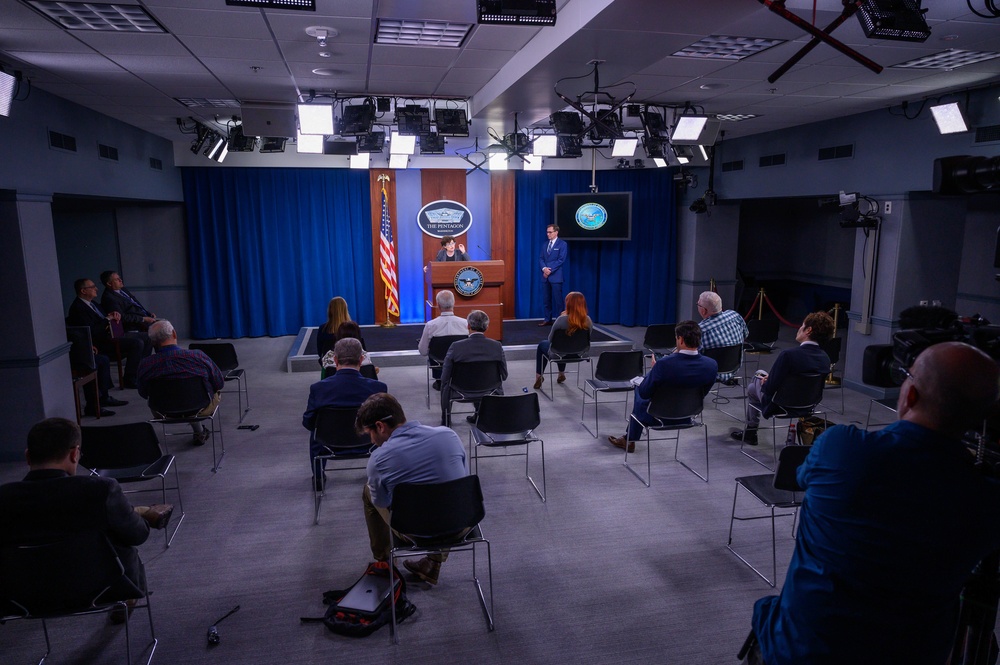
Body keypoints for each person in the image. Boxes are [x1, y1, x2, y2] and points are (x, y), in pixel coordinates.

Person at [746, 342, 1000, 665]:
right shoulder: (988, 500)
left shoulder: (841, 448)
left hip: (800, 651)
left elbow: (798, 477)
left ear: (909, 396)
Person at [0, 418, 173, 620]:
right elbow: (138, 535)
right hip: (103, 588)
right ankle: (125, 599)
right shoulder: (100, 490)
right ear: (75, 454)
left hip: (21, 597)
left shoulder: (4, 498)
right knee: (117, 535)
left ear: (28, 456)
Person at [358, 393, 467, 586]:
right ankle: (433, 563)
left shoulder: (378, 459)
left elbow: (382, 502)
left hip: (415, 531)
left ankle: (384, 562)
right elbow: (463, 483)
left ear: (380, 427)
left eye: (370, 434)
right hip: (463, 522)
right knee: (446, 489)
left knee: (369, 493)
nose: (372, 441)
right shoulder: (448, 435)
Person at [607, 320, 717, 453]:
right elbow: (702, 393)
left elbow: (645, 392)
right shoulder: (711, 365)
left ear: (680, 340)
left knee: (639, 388)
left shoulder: (664, 365)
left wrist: (654, 371)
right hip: (688, 415)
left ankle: (630, 439)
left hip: (658, 416)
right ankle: (628, 439)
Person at [732, 311, 833, 445]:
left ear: (808, 330)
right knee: (760, 379)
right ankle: (751, 432)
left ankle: (751, 431)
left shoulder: (788, 355)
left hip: (780, 405)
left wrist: (768, 380)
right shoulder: (825, 358)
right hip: (808, 406)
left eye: (802, 326)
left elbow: (769, 389)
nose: (799, 329)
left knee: (755, 381)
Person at [303, 337, 387, 489]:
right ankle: (381, 474)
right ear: (361, 360)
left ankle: (318, 477)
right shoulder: (378, 388)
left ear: (335, 360)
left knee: (315, 429)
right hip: (368, 443)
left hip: (329, 444)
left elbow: (308, 422)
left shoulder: (318, 389)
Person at [136, 320, 224, 446]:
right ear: (174, 333)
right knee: (201, 394)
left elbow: (143, 393)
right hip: (201, 407)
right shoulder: (197, 356)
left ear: (153, 341)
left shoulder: (146, 364)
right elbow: (219, 382)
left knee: (180, 396)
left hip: (163, 411)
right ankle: (199, 431)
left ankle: (198, 431)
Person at [67, 277, 151, 389]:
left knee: (148, 336)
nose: (96, 289)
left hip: (112, 335)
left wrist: (114, 314)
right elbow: (92, 331)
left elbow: (106, 316)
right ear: (83, 291)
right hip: (101, 342)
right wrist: (107, 319)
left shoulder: (94, 304)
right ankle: (130, 378)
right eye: (92, 287)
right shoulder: (78, 308)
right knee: (137, 343)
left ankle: (141, 372)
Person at [440, 310, 508, 425]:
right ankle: (486, 417)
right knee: (495, 383)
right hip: (490, 390)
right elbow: (504, 375)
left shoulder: (456, 347)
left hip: (459, 390)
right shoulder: (496, 346)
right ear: (487, 327)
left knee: (445, 385)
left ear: (468, 326)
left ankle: (446, 420)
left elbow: (444, 377)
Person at [534, 291, 591, 390]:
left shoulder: (561, 320)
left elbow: (550, 339)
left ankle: (539, 376)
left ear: (568, 304)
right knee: (564, 346)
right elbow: (587, 338)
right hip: (580, 353)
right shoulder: (588, 320)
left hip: (559, 353)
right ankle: (561, 373)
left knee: (543, 345)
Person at [417, 290, 469, 390]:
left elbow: (423, 351)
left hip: (438, 362)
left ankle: (440, 380)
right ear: (454, 304)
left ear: (438, 305)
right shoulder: (465, 323)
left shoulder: (430, 325)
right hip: (459, 363)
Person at [696, 291, 748, 383]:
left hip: (707, 374)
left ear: (703, 310)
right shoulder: (735, 316)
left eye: (698, 304)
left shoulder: (700, 330)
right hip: (733, 369)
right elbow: (746, 335)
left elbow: (688, 353)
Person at [538, 224, 568, 326]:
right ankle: (547, 319)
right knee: (546, 300)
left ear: (556, 232)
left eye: (550, 232)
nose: (548, 234)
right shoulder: (545, 244)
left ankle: (560, 321)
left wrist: (549, 270)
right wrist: (544, 269)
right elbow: (541, 258)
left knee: (558, 300)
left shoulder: (562, 244)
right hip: (545, 277)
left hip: (556, 276)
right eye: (547, 232)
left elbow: (561, 260)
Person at [316, 296, 352, 362]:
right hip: (350, 366)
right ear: (345, 310)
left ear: (330, 310)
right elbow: (358, 350)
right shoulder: (352, 328)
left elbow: (320, 352)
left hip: (329, 366)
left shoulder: (323, 329)